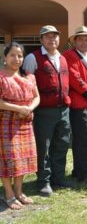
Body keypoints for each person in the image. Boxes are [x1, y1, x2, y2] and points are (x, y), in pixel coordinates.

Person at [23, 25, 71, 197]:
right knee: (44, 147)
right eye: (48, 36)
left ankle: (58, 178)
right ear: (41, 39)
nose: (52, 39)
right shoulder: (32, 57)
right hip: (44, 110)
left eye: (55, 36)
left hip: (64, 109)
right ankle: (44, 181)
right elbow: (27, 85)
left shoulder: (63, 58)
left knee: (62, 144)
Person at [0, 42, 40, 209]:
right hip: (6, 123)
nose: (16, 59)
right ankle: (8, 194)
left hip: (25, 122)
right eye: (12, 55)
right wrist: (18, 108)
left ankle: (19, 191)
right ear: (5, 57)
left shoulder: (29, 76)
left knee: (23, 157)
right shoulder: (1, 76)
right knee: (8, 158)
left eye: (20, 55)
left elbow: (37, 97)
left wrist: (29, 108)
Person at [63, 26, 87, 186]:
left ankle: (78, 171)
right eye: (81, 39)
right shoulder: (69, 55)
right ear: (74, 41)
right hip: (80, 104)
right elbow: (75, 77)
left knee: (84, 139)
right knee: (82, 140)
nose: (84, 42)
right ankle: (85, 175)